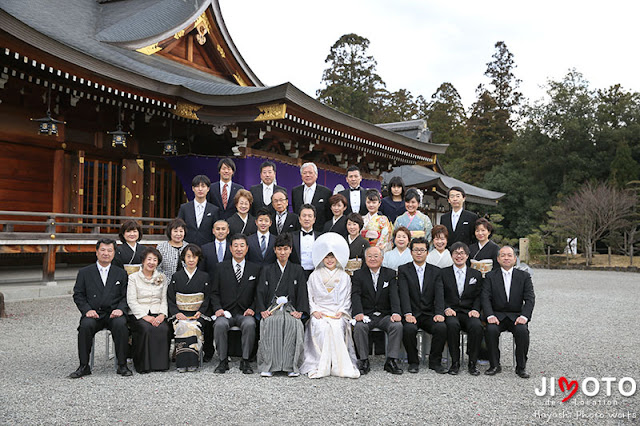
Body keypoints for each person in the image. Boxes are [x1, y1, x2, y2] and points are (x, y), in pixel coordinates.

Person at [299, 233, 360, 379]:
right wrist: (314, 311)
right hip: (320, 310)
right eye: (326, 257)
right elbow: (309, 296)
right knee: (321, 327)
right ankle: (319, 362)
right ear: (322, 258)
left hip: (337, 311)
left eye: (332, 257)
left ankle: (336, 363)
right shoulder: (314, 275)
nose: (330, 260)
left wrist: (342, 311)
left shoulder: (344, 276)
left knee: (338, 327)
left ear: (337, 258)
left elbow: (347, 297)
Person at [69, 238, 131, 378]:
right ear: (96, 252)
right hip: (94, 313)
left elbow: (126, 295)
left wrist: (121, 309)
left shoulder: (120, 273)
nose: (106, 253)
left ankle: (122, 365)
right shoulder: (85, 272)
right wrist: (87, 310)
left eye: (110, 250)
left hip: (113, 312)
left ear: (114, 253)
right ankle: (84, 365)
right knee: (85, 326)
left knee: (121, 325)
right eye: (102, 250)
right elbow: (78, 294)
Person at [256, 233, 309, 377]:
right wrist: (262, 310)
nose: (282, 252)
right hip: (272, 307)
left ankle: (291, 366)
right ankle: (269, 365)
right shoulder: (267, 269)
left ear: (291, 250)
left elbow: (302, 292)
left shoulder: (298, 269)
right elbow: (260, 291)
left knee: (294, 324)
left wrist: (301, 311)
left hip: (291, 307)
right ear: (274, 250)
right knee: (271, 322)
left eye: (286, 249)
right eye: (279, 249)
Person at [482, 246, 535, 379]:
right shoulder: (490, 276)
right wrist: (489, 315)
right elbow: (485, 297)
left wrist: (524, 316)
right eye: (503, 255)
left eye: (509, 255)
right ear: (498, 259)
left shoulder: (524, 276)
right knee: (491, 330)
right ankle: (494, 365)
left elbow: (530, 298)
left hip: (516, 316)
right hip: (496, 315)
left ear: (515, 259)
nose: (506, 258)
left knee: (522, 331)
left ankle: (521, 367)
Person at [210, 234, 260, 374]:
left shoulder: (255, 269)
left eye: (242, 246)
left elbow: (259, 293)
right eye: (235, 246)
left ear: (247, 248)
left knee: (250, 324)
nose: (239, 249)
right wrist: (218, 309)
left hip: (245, 312)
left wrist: (252, 308)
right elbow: (213, 292)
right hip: (225, 312)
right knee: (220, 324)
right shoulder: (220, 267)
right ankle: (222, 360)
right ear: (230, 248)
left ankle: (245, 360)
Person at [398, 237, 447, 374]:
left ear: (427, 252)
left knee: (441, 327)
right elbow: (404, 294)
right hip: (411, 313)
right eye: (416, 250)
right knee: (408, 329)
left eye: (422, 250)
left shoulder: (436, 271)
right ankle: (413, 362)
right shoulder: (403, 270)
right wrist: (407, 313)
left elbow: (439, 294)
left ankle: (435, 361)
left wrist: (439, 313)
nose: (419, 253)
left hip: (428, 314)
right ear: (411, 251)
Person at [351, 246, 403, 375]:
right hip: (366, 314)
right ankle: (363, 360)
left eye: (376, 256)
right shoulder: (358, 274)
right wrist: (358, 313)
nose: (373, 259)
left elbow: (394, 295)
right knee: (359, 327)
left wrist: (396, 312)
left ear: (382, 258)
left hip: (385, 315)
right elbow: (355, 295)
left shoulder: (390, 274)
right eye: (369, 256)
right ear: (365, 258)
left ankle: (391, 360)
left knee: (397, 325)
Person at [442, 242, 484, 376]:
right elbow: (439, 294)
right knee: (452, 325)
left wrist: (476, 309)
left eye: (462, 253)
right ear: (451, 255)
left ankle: (472, 362)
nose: (459, 256)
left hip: (468, 311)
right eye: (456, 253)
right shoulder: (443, 273)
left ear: (467, 256)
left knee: (476, 326)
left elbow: (479, 295)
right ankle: (455, 362)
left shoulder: (476, 274)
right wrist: (446, 308)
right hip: (452, 311)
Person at [167, 244, 211, 373]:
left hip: (197, 314)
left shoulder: (204, 276)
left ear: (198, 259)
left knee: (193, 326)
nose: (191, 260)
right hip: (180, 313)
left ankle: (193, 361)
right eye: (188, 257)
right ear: (183, 259)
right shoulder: (176, 276)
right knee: (181, 325)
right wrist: (176, 313)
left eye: (194, 257)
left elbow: (208, 297)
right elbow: (170, 297)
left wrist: (201, 311)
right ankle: (181, 362)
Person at [126, 246, 170, 374]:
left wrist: (162, 314)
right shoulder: (133, 277)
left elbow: (164, 299)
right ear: (143, 261)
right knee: (146, 328)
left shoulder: (162, 277)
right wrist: (145, 316)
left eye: (155, 260)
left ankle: (160, 364)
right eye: (149, 259)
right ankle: (143, 365)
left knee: (163, 328)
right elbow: (131, 300)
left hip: (157, 310)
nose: (151, 262)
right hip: (139, 313)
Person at [197, 220, 230, 362]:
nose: (221, 231)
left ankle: (228, 352)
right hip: (209, 290)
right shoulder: (205, 248)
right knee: (209, 321)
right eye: (218, 229)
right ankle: (208, 352)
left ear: (228, 231)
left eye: (223, 229)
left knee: (227, 320)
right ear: (213, 231)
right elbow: (202, 271)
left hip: (229, 291)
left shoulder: (233, 247)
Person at [177, 174, 220, 247]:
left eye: (203, 186)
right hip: (187, 247)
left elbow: (216, 230)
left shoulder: (214, 210)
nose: (200, 189)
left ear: (208, 189)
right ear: (193, 188)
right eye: (197, 186)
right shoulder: (184, 208)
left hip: (207, 248)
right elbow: (178, 226)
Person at [291, 162, 332, 232]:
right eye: (305, 173)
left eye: (310, 173)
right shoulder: (295, 191)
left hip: (319, 232)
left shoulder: (326, 192)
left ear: (316, 175)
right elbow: (295, 211)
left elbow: (328, 215)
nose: (307, 175)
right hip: (299, 231)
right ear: (301, 175)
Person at [290, 204, 321, 279]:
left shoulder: (321, 237)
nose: (307, 219)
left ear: (314, 219)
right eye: (304, 216)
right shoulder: (291, 237)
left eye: (310, 216)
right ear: (299, 219)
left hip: (317, 274)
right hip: (296, 275)